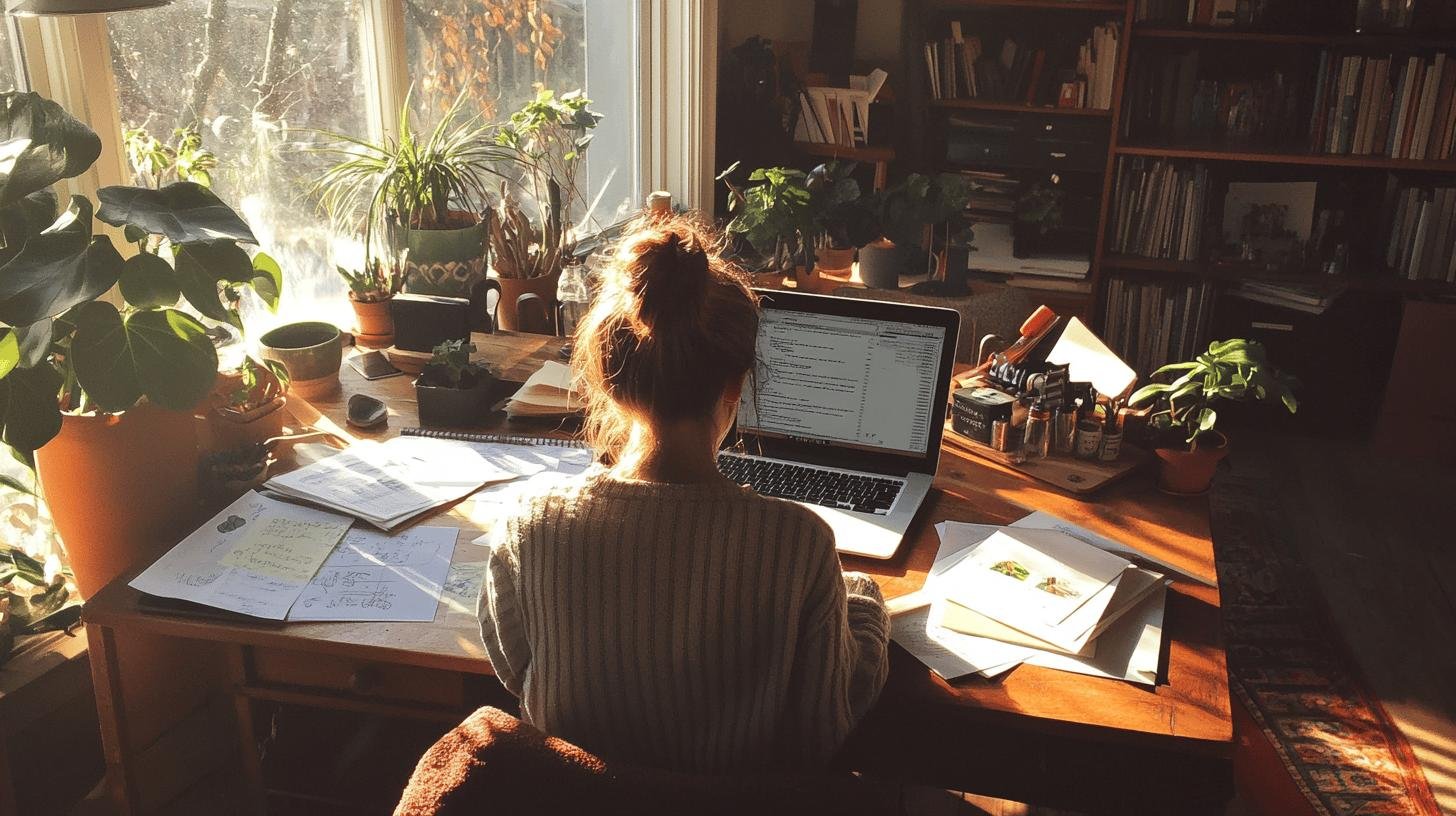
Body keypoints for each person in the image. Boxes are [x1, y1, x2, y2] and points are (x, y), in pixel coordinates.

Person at [478, 214, 890, 775]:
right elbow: (822, 729)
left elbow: (517, 669)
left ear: (608, 378)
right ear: (735, 384)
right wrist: (861, 602)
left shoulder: (529, 523)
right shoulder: (798, 545)